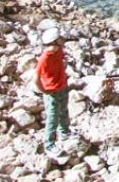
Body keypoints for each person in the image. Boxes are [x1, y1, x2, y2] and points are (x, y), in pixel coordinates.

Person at [35, 27, 72, 156]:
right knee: (52, 118)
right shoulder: (44, 59)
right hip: (52, 92)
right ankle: (49, 144)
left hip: (62, 87)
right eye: (59, 39)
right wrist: (43, 90)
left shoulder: (59, 51)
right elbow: (36, 78)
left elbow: (63, 61)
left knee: (64, 111)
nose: (62, 40)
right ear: (54, 42)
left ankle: (65, 132)